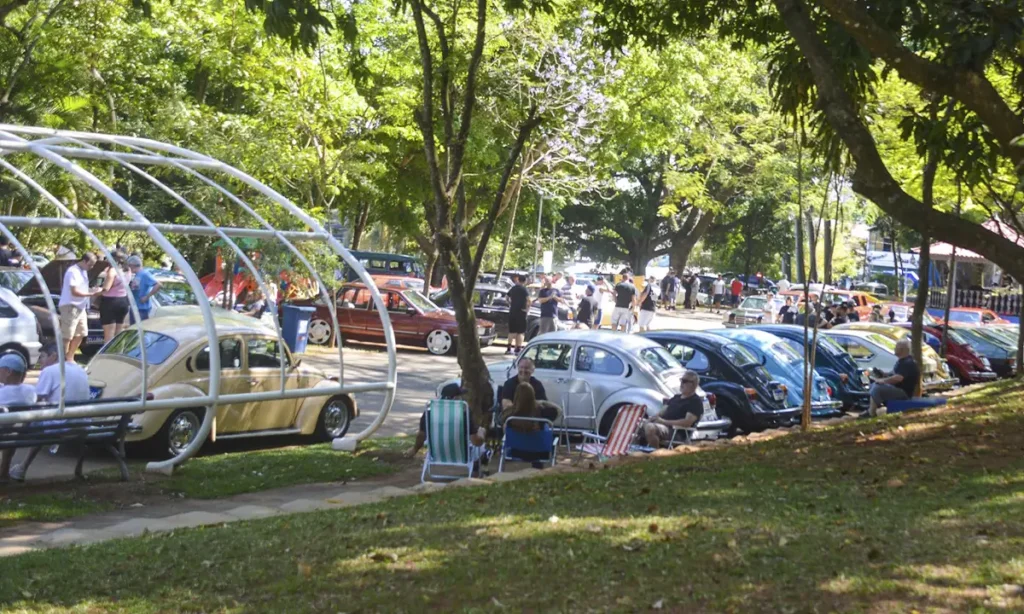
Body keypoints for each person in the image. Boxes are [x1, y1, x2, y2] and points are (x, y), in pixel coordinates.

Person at [7, 343, 90, 482]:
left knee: (18, 426)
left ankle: (19, 468)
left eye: (43, 356)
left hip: (59, 426)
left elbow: (34, 399)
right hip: (83, 425)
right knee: (43, 420)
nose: (40, 361)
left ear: (54, 356)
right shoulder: (80, 370)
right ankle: (78, 469)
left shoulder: (51, 371)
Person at [404, 382, 486, 458]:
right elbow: (476, 442)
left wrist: (415, 449)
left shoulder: (429, 413)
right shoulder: (463, 415)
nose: (462, 398)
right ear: (456, 398)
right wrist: (482, 432)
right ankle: (476, 469)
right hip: (462, 455)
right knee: (482, 447)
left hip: (435, 455)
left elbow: (421, 436)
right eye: (460, 396)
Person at [0, 353, 37, 481]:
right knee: (11, 432)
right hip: (19, 434)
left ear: (8, 372)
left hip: (3, 433)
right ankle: (3, 472)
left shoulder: (2, 392)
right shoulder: (30, 391)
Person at [58, 252, 102, 360]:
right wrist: (92, 294)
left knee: (81, 333)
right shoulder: (73, 271)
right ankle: (62, 360)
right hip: (70, 306)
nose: (91, 267)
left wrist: (92, 290)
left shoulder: (83, 271)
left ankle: (70, 357)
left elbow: (82, 289)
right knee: (67, 335)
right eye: (90, 264)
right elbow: (74, 291)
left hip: (81, 307)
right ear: (84, 261)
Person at [643, 370, 703, 448]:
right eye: (681, 380)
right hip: (662, 427)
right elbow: (661, 412)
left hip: (676, 432)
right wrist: (653, 418)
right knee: (637, 424)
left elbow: (687, 422)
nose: (681, 383)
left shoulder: (695, 402)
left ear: (694, 385)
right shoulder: (676, 397)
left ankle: (656, 455)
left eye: (685, 381)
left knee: (650, 428)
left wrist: (664, 422)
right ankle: (632, 454)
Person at [866, 339, 920, 417]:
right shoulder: (901, 361)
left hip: (904, 393)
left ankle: (871, 413)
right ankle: (871, 408)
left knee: (878, 387)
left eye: (896, 347)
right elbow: (894, 374)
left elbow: (898, 378)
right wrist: (883, 374)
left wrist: (883, 381)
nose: (894, 349)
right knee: (873, 384)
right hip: (897, 389)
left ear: (901, 349)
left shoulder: (908, 362)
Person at [99, 251, 132, 343]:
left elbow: (106, 288)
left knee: (109, 334)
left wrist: (94, 291)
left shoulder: (113, 271)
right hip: (123, 301)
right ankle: (118, 353)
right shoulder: (128, 270)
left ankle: (106, 356)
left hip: (110, 302)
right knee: (118, 333)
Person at [127, 255, 161, 322]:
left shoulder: (145, 274)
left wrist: (147, 297)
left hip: (142, 308)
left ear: (133, 265)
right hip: (135, 306)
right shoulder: (137, 274)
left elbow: (158, 284)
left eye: (129, 266)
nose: (129, 268)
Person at [506, 275, 530, 355]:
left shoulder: (513, 288)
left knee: (512, 331)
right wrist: (527, 309)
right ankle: (518, 349)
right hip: (521, 312)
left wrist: (511, 304)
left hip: (512, 312)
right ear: (525, 281)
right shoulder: (524, 289)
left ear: (518, 280)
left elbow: (506, 297)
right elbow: (529, 300)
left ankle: (509, 348)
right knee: (520, 332)